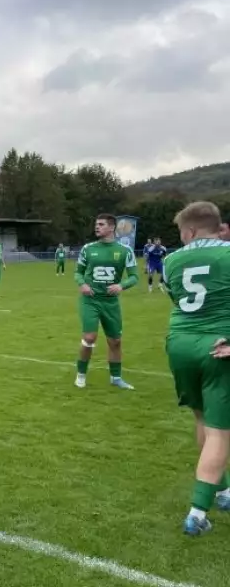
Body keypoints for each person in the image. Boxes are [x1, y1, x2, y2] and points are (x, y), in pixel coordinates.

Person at [162, 201, 230, 536]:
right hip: (218, 346)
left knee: (202, 417)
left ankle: (222, 490)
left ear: (189, 231)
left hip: (179, 344)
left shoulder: (171, 259)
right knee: (220, 431)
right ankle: (197, 513)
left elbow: (175, 297)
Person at [73, 214, 139, 390]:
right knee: (89, 337)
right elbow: (78, 272)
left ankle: (116, 378)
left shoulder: (125, 251)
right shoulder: (88, 249)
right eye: (96, 224)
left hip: (111, 303)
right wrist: (82, 284)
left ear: (112, 228)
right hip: (90, 300)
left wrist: (121, 286)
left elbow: (134, 277)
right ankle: (81, 375)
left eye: (101, 224)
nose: (97, 227)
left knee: (115, 341)